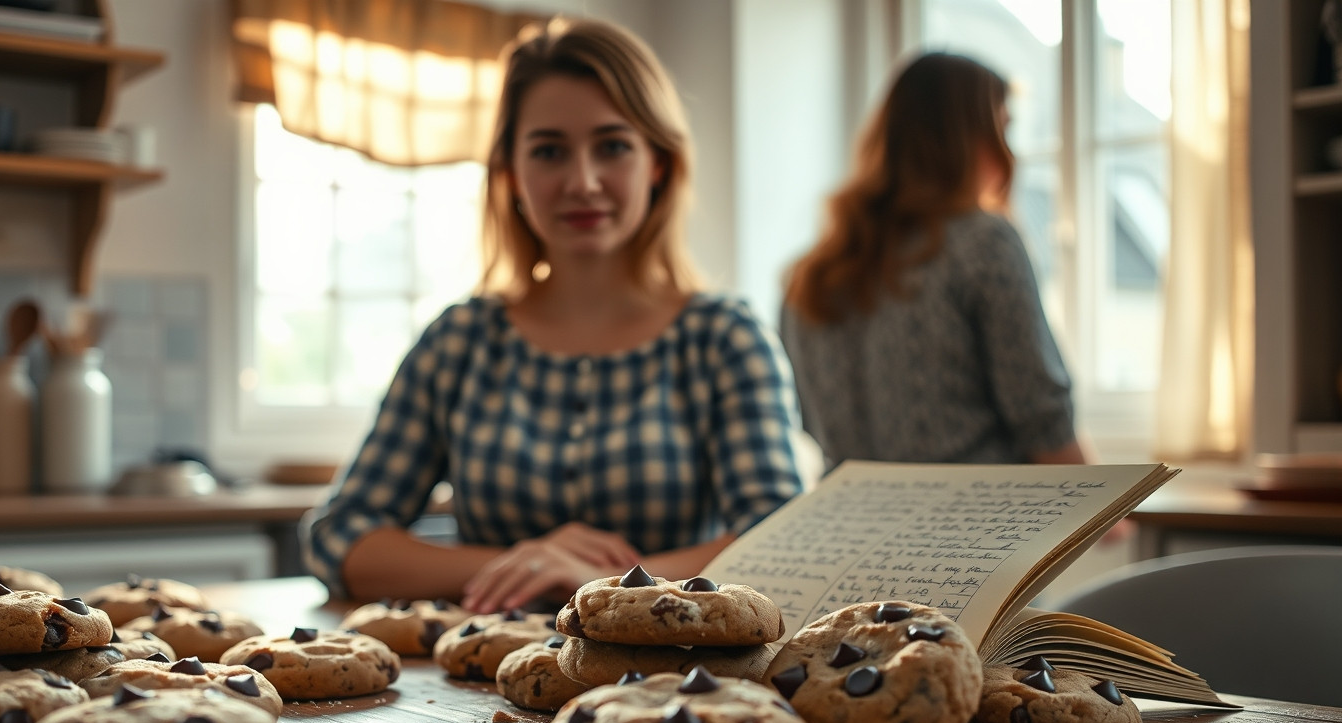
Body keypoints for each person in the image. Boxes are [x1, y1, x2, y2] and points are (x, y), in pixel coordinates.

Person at [302, 17, 803, 613]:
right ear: (511, 174)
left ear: (659, 163)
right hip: (483, 690)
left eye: (613, 146)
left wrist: (603, 582)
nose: (582, 181)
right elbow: (340, 538)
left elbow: (783, 548)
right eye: (549, 151)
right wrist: (523, 564)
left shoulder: (725, 339)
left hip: (684, 682)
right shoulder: (460, 342)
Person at [780, 52, 1091, 468]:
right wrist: (1106, 514)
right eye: (1002, 128)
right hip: (981, 526)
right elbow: (1041, 416)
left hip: (851, 524)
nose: (1009, 153)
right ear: (969, 137)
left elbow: (805, 419)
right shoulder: (985, 244)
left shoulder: (811, 273)